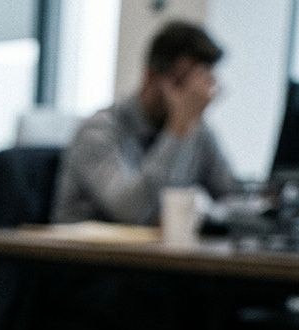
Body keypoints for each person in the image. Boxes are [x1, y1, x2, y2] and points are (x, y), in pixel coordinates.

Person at [52, 21, 235, 224]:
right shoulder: (99, 131)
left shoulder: (196, 131)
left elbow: (233, 198)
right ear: (150, 77)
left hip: (157, 253)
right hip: (89, 254)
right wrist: (177, 129)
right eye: (182, 83)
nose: (192, 97)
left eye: (201, 83)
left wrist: (206, 213)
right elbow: (131, 211)